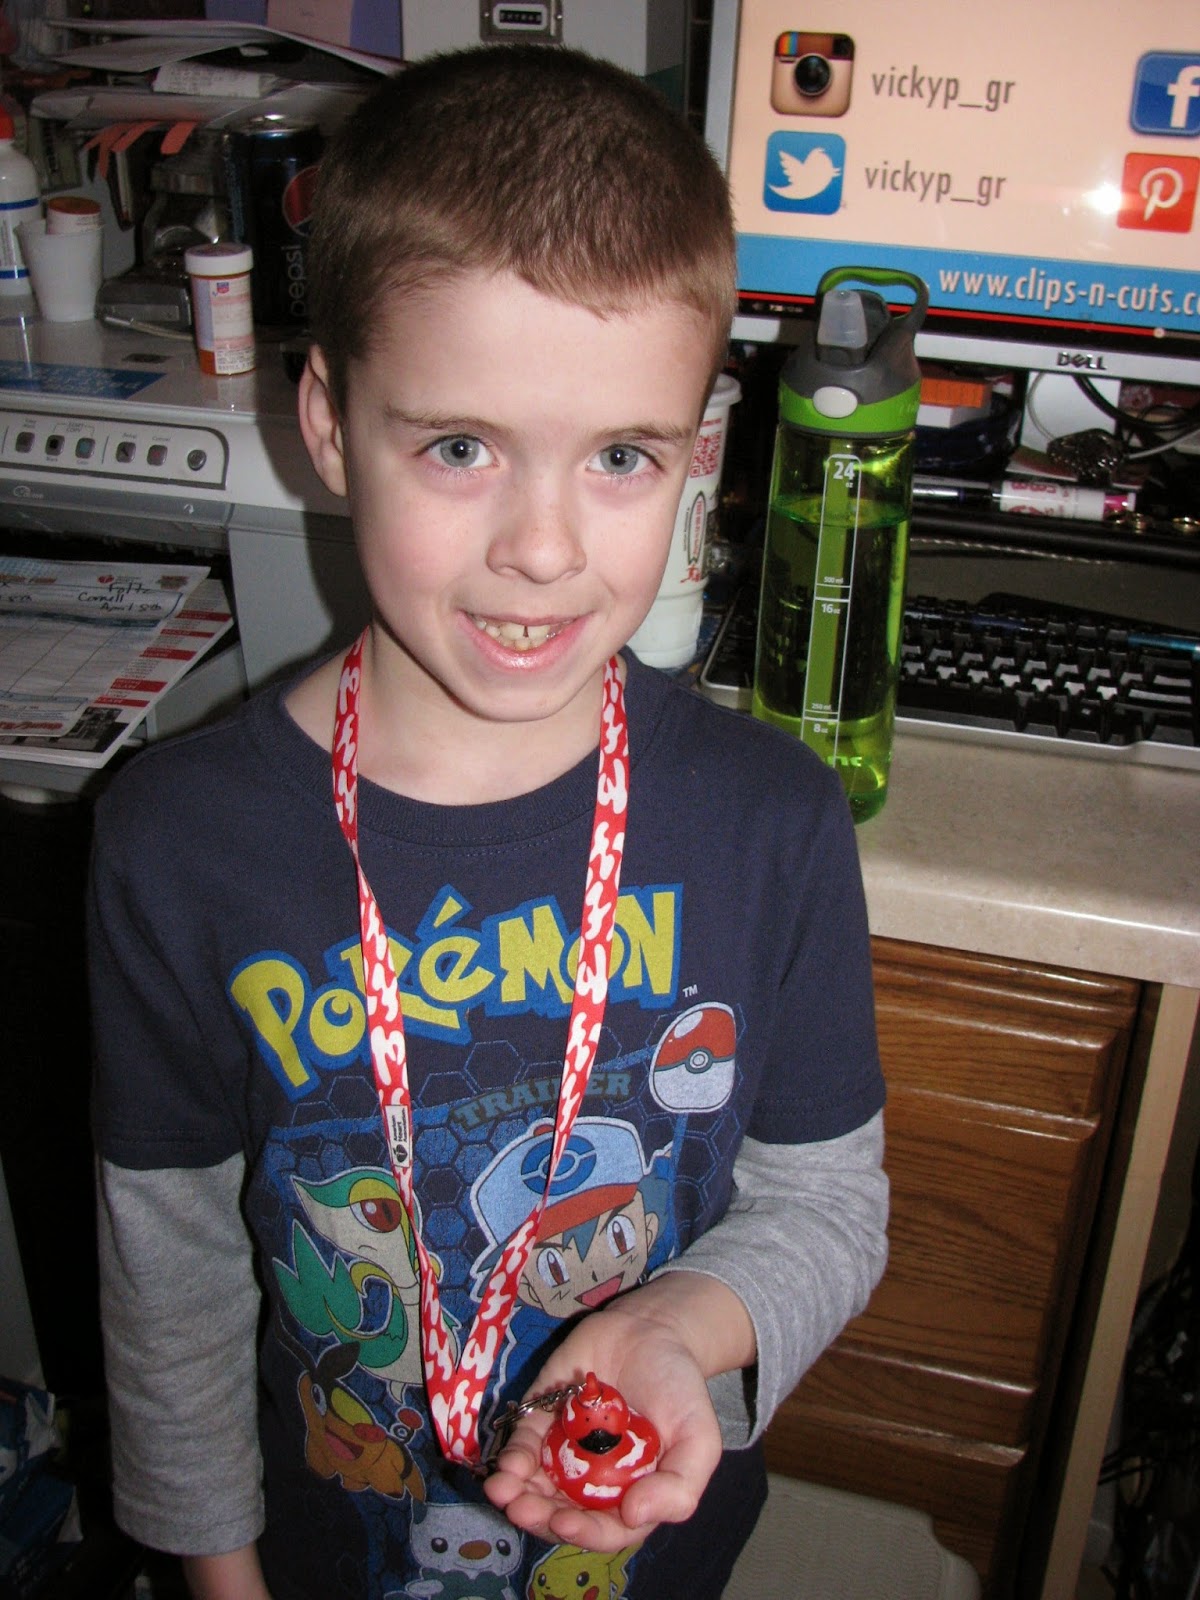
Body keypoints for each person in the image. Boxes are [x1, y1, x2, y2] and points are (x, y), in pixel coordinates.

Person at [88, 43, 889, 1600]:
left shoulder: (771, 822)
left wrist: (680, 1324)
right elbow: (167, 1280)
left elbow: (827, 1206)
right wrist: (221, 1582)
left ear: (698, 455)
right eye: (460, 447)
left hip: (648, 1560)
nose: (540, 546)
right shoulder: (176, 842)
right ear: (331, 424)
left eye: (620, 458)